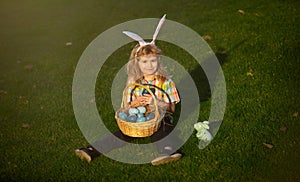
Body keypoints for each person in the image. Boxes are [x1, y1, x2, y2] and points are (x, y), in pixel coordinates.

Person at [75, 14, 182, 165]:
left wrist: (156, 102)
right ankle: (91, 150)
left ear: (159, 61)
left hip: (160, 117)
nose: (149, 65)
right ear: (137, 63)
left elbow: (171, 109)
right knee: (122, 133)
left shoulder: (166, 83)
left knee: (161, 130)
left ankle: (168, 151)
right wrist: (134, 104)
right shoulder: (134, 85)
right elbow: (128, 108)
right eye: (144, 61)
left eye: (153, 61)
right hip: (140, 120)